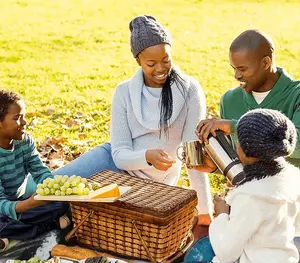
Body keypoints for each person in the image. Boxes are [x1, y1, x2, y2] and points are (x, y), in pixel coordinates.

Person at [39, 15, 212, 225]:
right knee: (46, 190)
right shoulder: (124, 92)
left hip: (151, 184)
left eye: (166, 60)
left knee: (76, 212)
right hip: (113, 162)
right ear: (138, 61)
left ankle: (62, 219)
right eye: (151, 63)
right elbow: (119, 154)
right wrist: (147, 156)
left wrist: (205, 212)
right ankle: (11, 216)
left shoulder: (190, 91)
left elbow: (193, 157)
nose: (160, 69)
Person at [166, 108, 300, 263]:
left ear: (244, 150)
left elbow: (226, 252)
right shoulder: (292, 177)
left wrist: (222, 215)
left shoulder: (251, 197)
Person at [196, 29, 300, 172]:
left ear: (265, 63)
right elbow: (239, 162)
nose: (236, 75)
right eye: (234, 68)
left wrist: (235, 127)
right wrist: (216, 167)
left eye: (242, 69)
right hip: (250, 190)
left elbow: (297, 144)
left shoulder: (296, 95)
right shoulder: (230, 100)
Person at [0, 90, 70, 250]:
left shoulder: (25, 141)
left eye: (24, 116)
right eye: (17, 118)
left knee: (62, 203)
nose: (24, 122)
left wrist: (55, 190)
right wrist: (28, 205)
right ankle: (47, 226)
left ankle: (10, 235)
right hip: (5, 207)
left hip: (20, 201)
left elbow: (40, 172)